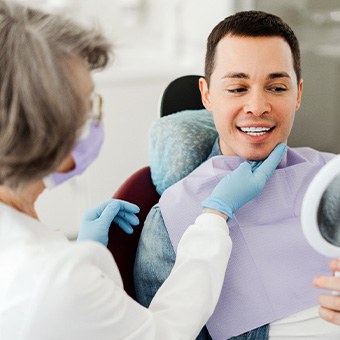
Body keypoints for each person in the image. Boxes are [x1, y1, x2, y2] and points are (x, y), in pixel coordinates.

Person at [0, 1, 286, 339]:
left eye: (278, 86)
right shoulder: (58, 277)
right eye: (89, 105)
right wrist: (214, 214)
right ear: (46, 130)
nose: (256, 106)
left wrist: (83, 253)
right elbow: (163, 333)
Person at [134, 10, 340, 340]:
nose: (257, 105)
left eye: (276, 87)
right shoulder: (171, 221)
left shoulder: (333, 181)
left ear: (297, 94)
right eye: (237, 88)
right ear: (207, 95)